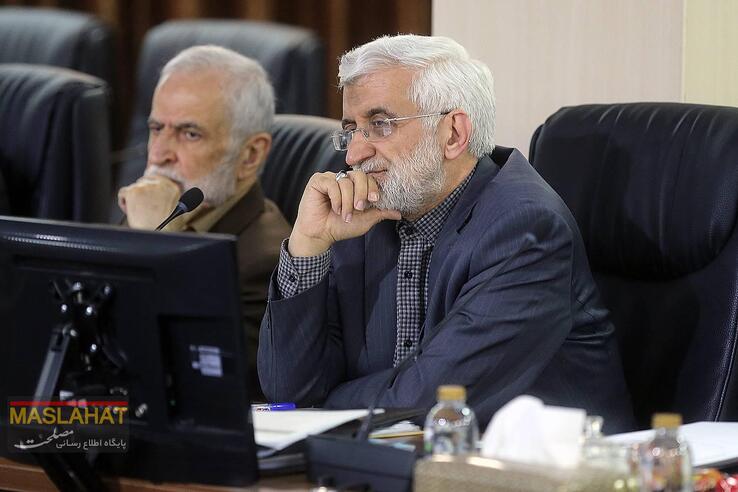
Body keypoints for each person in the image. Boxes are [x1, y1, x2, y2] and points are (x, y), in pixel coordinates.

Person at [258, 34, 634, 432]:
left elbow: (429, 403)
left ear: (453, 134)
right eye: (352, 129)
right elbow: (287, 389)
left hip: (551, 461)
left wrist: (318, 408)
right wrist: (308, 246)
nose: (354, 155)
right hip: (399, 455)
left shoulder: (525, 229)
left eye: (380, 125)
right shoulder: (361, 214)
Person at [118, 45, 291, 400]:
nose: (159, 153)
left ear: (251, 154)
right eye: (156, 128)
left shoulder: (268, 260)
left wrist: (154, 242)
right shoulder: (154, 211)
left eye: (189, 134)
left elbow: (194, 379)